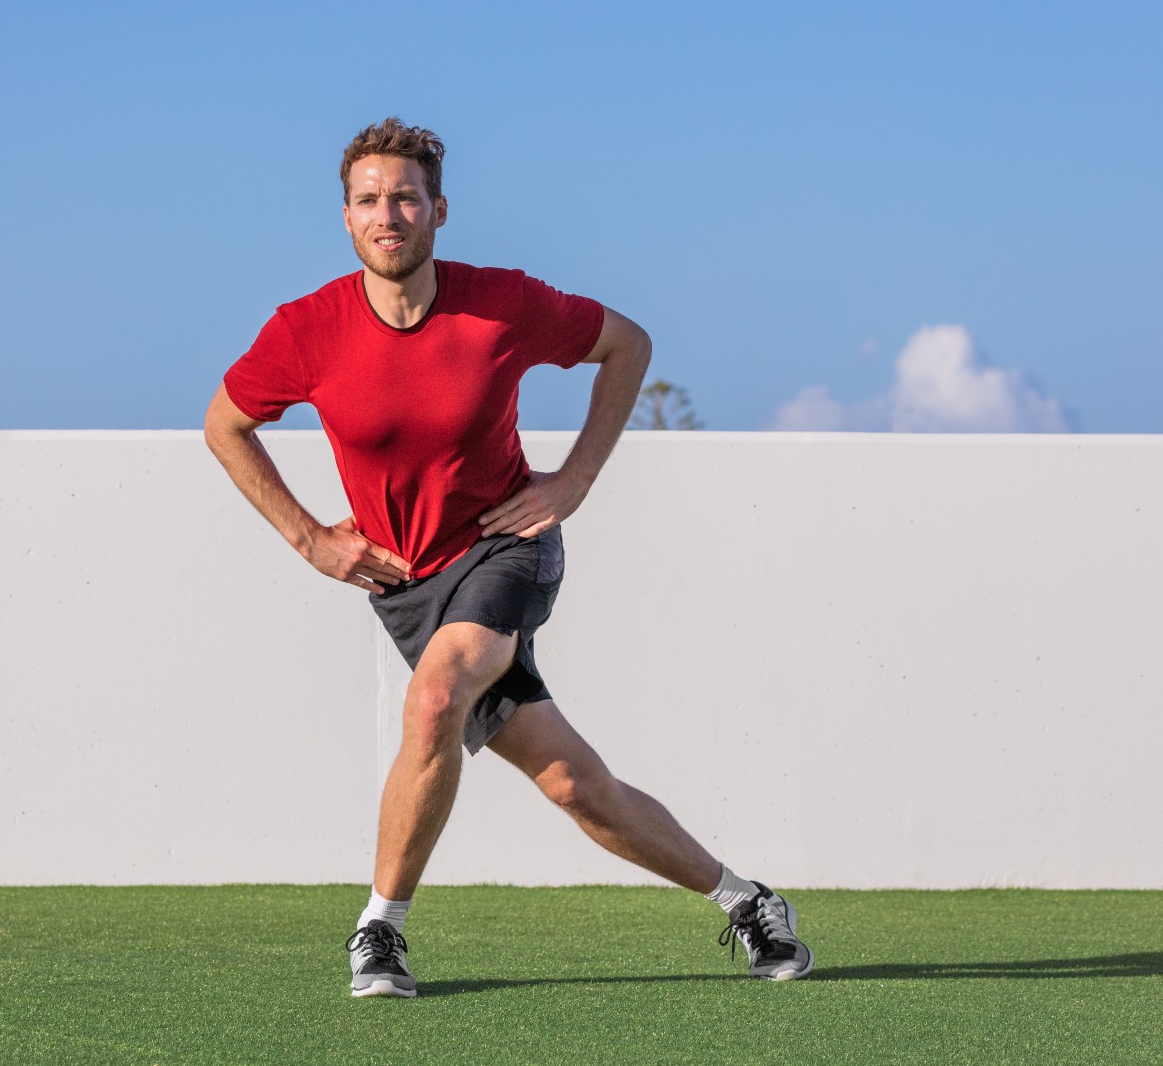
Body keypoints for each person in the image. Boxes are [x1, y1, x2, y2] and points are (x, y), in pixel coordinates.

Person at [202, 118, 812, 997]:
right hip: (405, 584)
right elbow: (226, 425)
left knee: (436, 697)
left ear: (438, 211)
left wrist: (576, 480)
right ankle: (747, 901)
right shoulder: (307, 330)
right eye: (369, 200)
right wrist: (310, 538)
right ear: (345, 219)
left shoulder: (502, 304)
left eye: (406, 197)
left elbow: (626, 344)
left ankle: (380, 932)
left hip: (505, 545)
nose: (389, 215)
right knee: (574, 784)